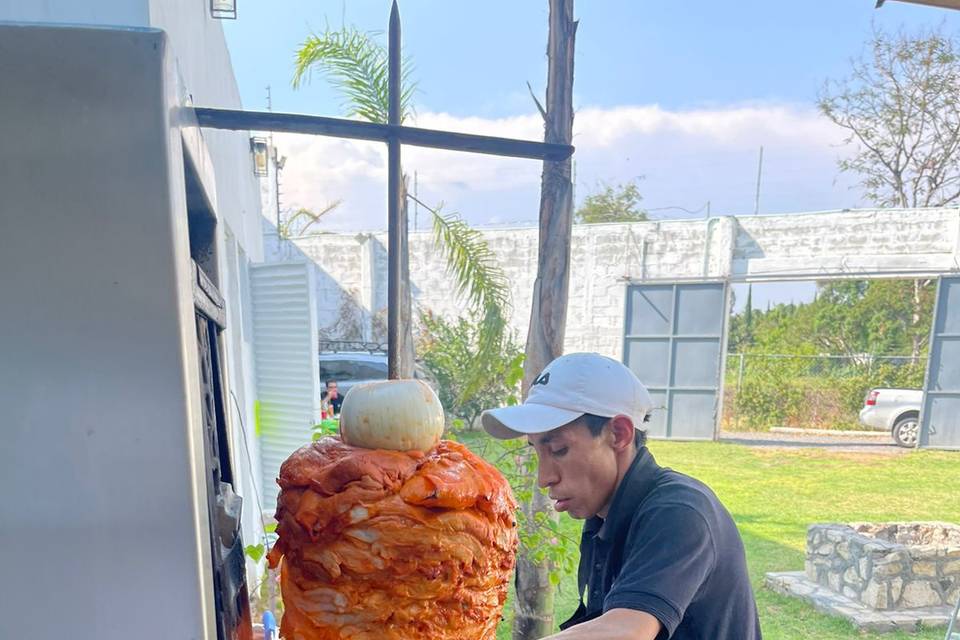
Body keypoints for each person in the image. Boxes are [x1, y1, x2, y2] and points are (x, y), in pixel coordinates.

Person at [482, 352, 761, 640]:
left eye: (558, 450)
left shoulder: (681, 511)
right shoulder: (604, 513)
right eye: (536, 451)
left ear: (618, 434)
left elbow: (625, 630)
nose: (544, 478)